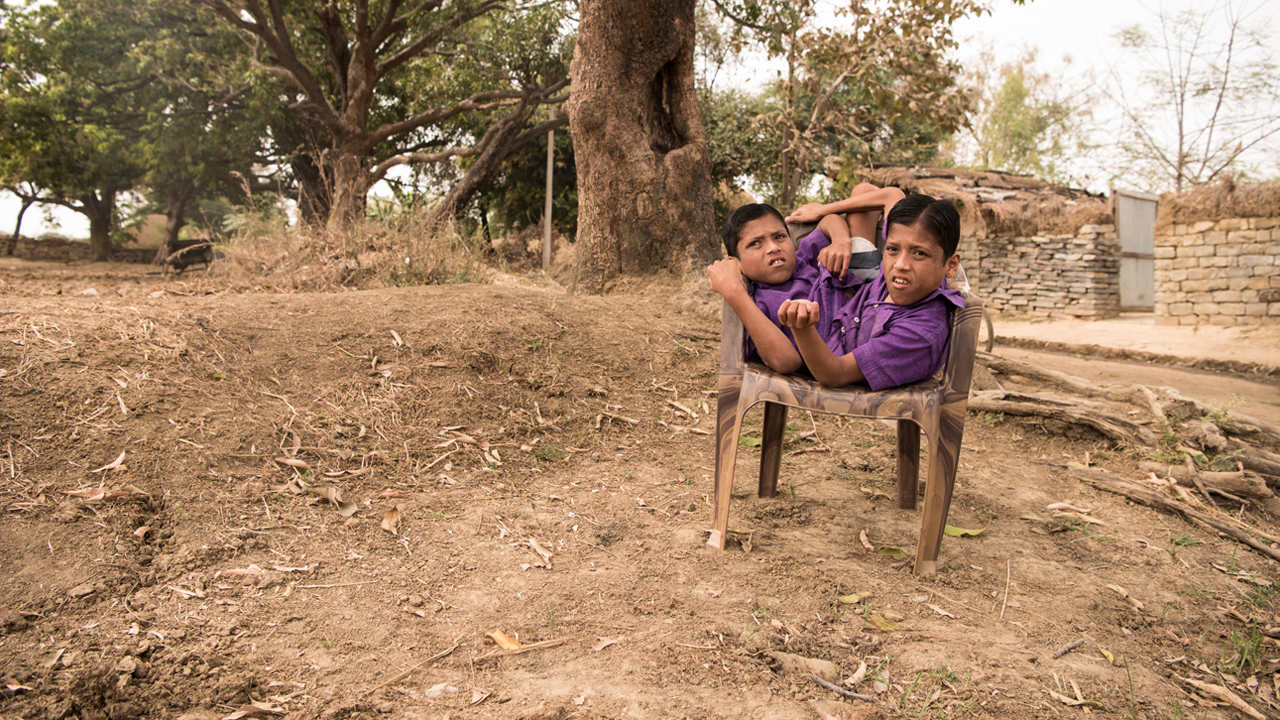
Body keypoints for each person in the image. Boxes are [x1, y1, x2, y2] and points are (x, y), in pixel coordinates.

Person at [706, 184, 904, 374]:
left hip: (873, 297)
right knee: (893, 198)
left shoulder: (803, 259)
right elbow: (786, 362)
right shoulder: (757, 304)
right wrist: (734, 292)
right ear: (736, 263)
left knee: (867, 192)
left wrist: (840, 242)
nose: (773, 247)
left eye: (779, 237)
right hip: (858, 341)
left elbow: (830, 221)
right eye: (755, 243)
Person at [778, 194, 964, 391]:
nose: (900, 265)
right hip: (824, 300)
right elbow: (890, 194)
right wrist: (824, 210)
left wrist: (802, 328)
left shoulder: (920, 332)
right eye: (892, 249)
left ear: (951, 265)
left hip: (812, 345)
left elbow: (835, 374)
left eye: (919, 253)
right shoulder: (908, 277)